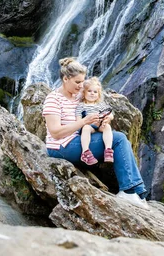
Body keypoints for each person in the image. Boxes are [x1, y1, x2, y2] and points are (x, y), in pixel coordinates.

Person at [42, 57, 148, 206]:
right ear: (65, 78)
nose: (81, 86)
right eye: (77, 82)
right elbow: (55, 133)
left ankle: (138, 192)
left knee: (118, 137)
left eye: (82, 82)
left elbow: (98, 104)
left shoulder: (79, 95)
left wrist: (105, 119)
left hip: (79, 139)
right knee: (119, 139)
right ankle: (130, 191)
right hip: (61, 146)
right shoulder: (53, 99)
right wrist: (83, 122)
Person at [75, 77, 114, 165]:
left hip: (99, 125)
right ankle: (85, 152)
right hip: (89, 126)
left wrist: (108, 118)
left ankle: (108, 150)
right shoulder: (81, 105)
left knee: (107, 127)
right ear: (84, 93)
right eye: (89, 91)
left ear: (98, 95)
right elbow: (78, 119)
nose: (92, 93)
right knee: (85, 128)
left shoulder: (100, 105)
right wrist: (85, 122)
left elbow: (110, 114)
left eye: (95, 92)